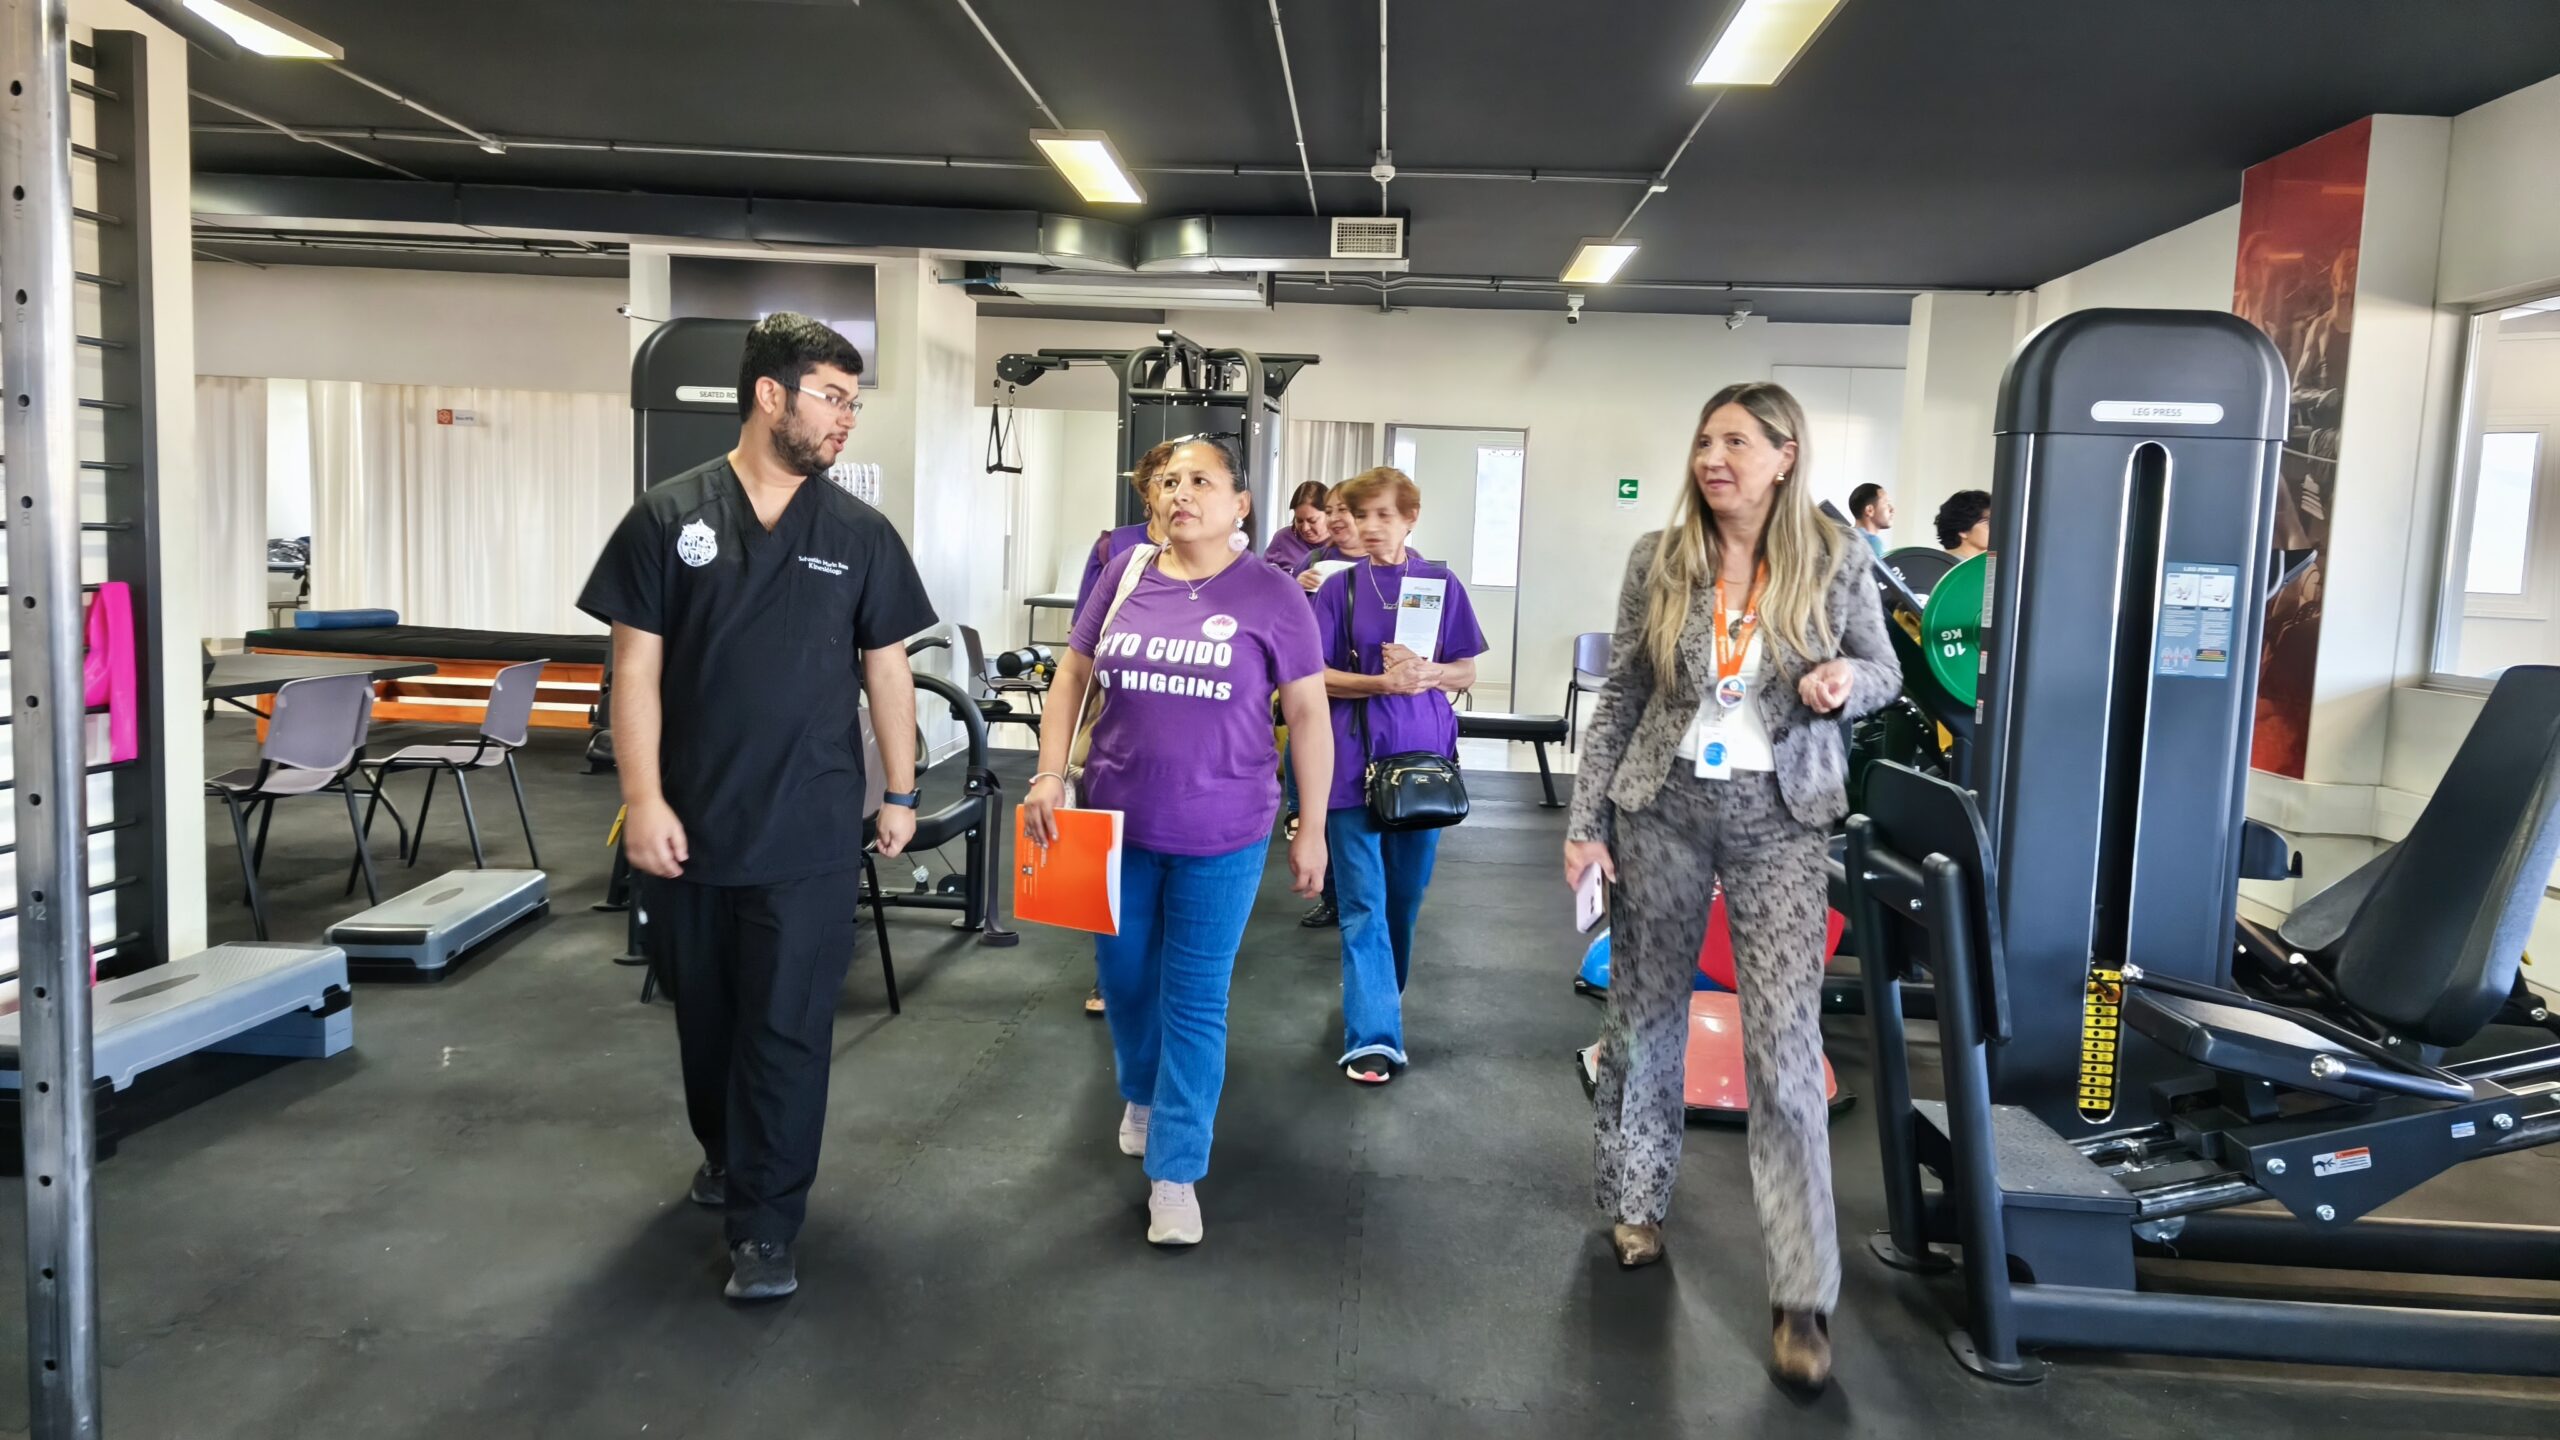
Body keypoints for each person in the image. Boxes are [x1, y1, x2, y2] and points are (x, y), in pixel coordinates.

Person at [579, 312, 938, 1303]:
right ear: (769, 395)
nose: (846, 418)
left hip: (808, 829)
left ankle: (768, 1225)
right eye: (832, 397)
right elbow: (633, 670)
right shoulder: (668, 517)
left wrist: (900, 790)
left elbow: (887, 671)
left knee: (785, 1030)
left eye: (854, 402)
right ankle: (729, 1154)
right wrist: (642, 799)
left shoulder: (858, 534)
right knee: (706, 1021)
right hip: (689, 827)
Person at [1562, 382, 1898, 1390]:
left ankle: (1801, 1294)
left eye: (1738, 442)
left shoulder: (1836, 559)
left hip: (1781, 820)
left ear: (1785, 456)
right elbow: (1624, 691)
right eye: (1706, 440)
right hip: (1659, 806)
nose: (1715, 457)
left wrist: (1845, 684)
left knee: (1785, 1051)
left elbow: (1883, 670)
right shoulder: (1659, 558)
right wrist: (1585, 823)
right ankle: (1635, 1203)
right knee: (1642, 1017)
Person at [1023, 437, 1333, 1247]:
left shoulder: (1274, 594)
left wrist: (1313, 827)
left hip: (1223, 832)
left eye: (1200, 480)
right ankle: (1142, 1090)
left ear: (1240, 504)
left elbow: (1308, 715)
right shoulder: (1125, 574)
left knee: (1196, 1000)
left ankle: (1177, 1172)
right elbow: (1071, 675)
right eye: (1167, 481)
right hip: (1115, 823)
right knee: (1125, 983)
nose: (1180, 493)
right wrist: (1048, 774)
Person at [1310, 467, 1486, 1084]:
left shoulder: (1440, 583)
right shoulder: (1337, 589)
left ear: (1411, 518)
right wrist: (1381, 682)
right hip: (1350, 761)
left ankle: (1380, 995)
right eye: (1361, 515)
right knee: (1363, 902)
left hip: (1423, 761)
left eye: (1384, 514)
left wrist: (1429, 673)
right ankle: (1374, 1036)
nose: (1370, 526)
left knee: (1403, 900)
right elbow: (1314, 677)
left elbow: (1466, 670)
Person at [1072, 441, 1181, 612]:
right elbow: (1084, 620)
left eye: (1179, 482)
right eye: (1164, 480)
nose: (1176, 491)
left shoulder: (1206, 549)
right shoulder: (1112, 544)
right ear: (1146, 492)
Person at [1295, 486, 1370, 591]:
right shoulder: (1313, 559)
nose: (1333, 518)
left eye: (1342, 509)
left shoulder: (1385, 563)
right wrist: (1296, 586)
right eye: (1328, 512)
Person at [1265, 480, 1331, 572]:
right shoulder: (1282, 538)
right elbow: (1263, 575)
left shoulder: (1342, 543)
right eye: (1299, 521)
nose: (1305, 528)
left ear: (1328, 514)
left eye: (1312, 521)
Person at [1936, 488, 1992, 561]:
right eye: (1988, 523)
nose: (1997, 529)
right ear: (1963, 531)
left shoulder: (1994, 563)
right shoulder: (1940, 564)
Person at [1846, 482, 1894, 556]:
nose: (1892, 509)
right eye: (1887, 504)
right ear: (1869, 510)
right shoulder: (1873, 543)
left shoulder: (1846, 539)